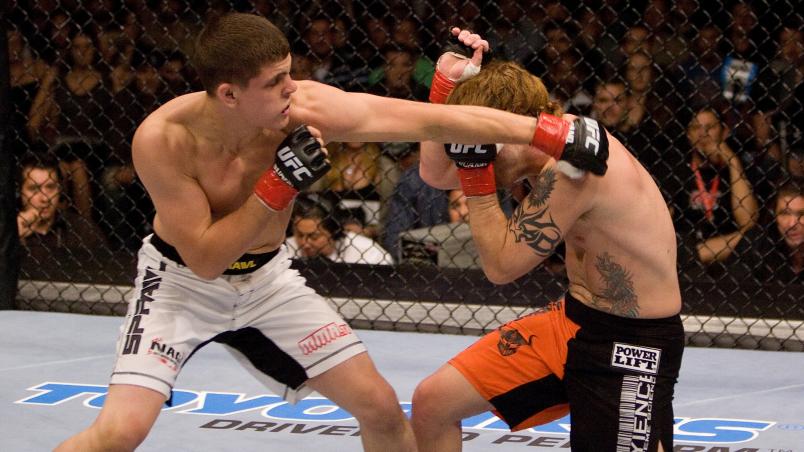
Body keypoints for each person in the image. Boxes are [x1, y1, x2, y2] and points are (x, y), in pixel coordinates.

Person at [55, 14, 595, 452]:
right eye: (275, 84)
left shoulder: (303, 106)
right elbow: (204, 258)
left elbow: (421, 122)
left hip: (268, 284)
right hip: (180, 285)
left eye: (289, 73)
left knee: (381, 408)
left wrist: (548, 131)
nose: (293, 90)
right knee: (121, 432)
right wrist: (277, 184)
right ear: (229, 94)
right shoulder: (163, 140)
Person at [412, 31, 683, 452]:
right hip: (570, 321)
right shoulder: (533, 146)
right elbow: (436, 174)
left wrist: (476, 175)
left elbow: (501, 267)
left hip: (631, 344)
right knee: (433, 403)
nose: (465, 154)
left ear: (504, 133)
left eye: (476, 141)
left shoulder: (575, 165)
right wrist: (444, 87)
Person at [285, 194, 393, 265]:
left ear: (334, 232)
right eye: (299, 235)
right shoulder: (285, 250)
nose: (305, 243)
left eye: (314, 236)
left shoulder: (368, 253)